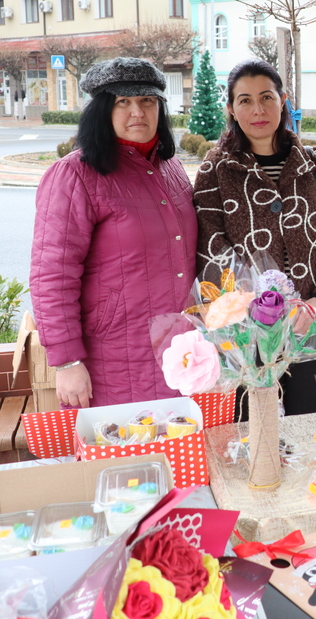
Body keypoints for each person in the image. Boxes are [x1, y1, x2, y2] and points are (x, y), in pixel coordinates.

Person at [194, 59, 316, 415]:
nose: (258, 110)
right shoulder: (215, 169)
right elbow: (211, 245)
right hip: (247, 334)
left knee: (310, 424)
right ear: (231, 108)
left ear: (283, 100)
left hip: (313, 326)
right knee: (252, 431)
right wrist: (254, 311)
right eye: (244, 100)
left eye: (267, 97)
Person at [31, 57, 196, 408]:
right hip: (114, 357)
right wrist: (67, 362)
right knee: (123, 455)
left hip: (181, 352)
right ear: (102, 110)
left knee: (182, 456)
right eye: (123, 102)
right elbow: (52, 276)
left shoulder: (172, 168)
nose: (137, 112)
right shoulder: (75, 175)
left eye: (147, 101)